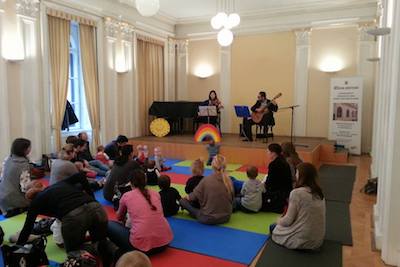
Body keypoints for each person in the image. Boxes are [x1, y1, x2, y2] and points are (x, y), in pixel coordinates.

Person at [17, 173, 108, 254]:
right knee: (100, 242)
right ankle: (109, 249)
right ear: (43, 186)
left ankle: (99, 248)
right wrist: (91, 197)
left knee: (74, 250)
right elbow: (80, 176)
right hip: (97, 208)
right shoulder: (59, 185)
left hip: (74, 216)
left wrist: (17, 247)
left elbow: (27, 228)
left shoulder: (35, 203)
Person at [107, 170, 173, 258]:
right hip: (164, 243)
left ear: (130, 183)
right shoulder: (156, 193)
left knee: (108, 224)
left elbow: (119, 217)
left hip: (141, 248)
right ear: (145, 181)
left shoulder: (127, 196)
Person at [271, 163, 326, 250]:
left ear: (301, 175)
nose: (295, 175)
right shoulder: (319, 192)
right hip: (318, 239)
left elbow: (288, 221)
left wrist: (278, 220)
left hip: (303, 240)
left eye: (297, 172)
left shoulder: (297, 193)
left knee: (273, 227)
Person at [180, 155, 234, 225]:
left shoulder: (206, 180)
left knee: (182, 201)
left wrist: (185, 198)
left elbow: (192, 197)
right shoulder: (229, 180)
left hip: (208, 218)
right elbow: (232, 199)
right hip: (226, 217)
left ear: (212, 165)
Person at [0, 138, 32, 217]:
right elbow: (25, 187)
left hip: (2, 196)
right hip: (14, 203)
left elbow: (1, 177)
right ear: (24, 149)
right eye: (29, 147)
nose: (30, 149)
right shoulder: (23, 164)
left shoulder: (8, 159)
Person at [262, 143, 293, 213]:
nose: (267, 154)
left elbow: (270, 183)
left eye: (268, 152)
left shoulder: (274, 165)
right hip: (285, 191)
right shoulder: (284, 161)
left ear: (273, 153)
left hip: (277, 194)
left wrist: (263, 184)